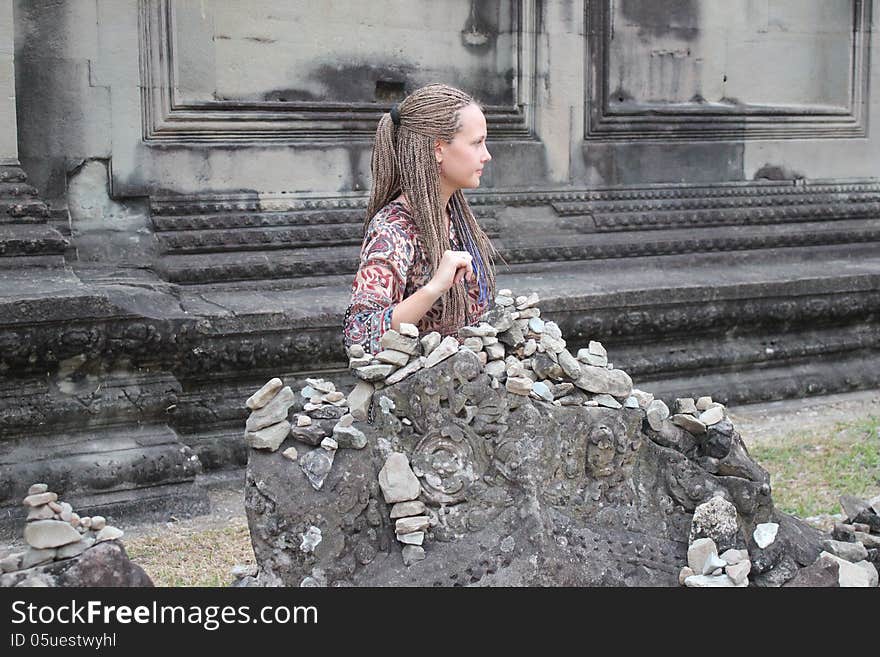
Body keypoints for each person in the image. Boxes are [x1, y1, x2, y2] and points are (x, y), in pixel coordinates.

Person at [342, 83, 499, 354]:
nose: (487, 155)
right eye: (477, 143)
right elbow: (359, 334)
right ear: (438, 149)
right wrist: (435, 287)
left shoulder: (456, 216)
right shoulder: (392, 230)